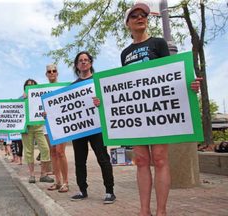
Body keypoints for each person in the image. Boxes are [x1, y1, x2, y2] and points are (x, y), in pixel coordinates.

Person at [93, 3, 201, 216]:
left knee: (160, 159)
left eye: (143, 14)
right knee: (141, 161)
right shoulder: (125, 53)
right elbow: (124, 86)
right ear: (128, 24)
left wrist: (189, 85)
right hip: (137, 116)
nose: (140, 17)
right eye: (135, 15)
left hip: (158, 113)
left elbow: (170, 75)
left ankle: (161, 211)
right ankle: (144, 211)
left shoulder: (159, 43)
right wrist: (104, 101)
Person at [70, 51, 116, 204]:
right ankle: (82, 190)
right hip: (79, 129)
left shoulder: (98, 81)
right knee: (79, 161)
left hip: (97, 128)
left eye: (86, 60)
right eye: (80, 60)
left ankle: (110, 191)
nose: (83, 62)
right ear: (77, 65)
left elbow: (109, 100)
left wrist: (100, 102)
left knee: (103, 158)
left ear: (90, 63)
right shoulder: (71, 87)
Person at [22, 79, 54, 184]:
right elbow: (12, 111)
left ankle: (43, 174)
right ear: (25, 88)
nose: (30, 87)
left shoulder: (40, 98)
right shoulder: (21, 99)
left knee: (45, 149)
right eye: (28, 85)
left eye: (32, 85)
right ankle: (32, 175)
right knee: (29, 151)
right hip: (27, 128)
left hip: (39, 127)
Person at [43, 64, 69, 193]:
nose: (52, 73)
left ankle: (66, 182)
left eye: (54, 71)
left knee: (60, 152)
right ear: (46, 74)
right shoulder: (40, 90)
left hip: (61, 123)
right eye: (49, 71)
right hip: (47, 123)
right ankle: (57, 181)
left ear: (57, 73)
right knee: (52, 152)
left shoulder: (63, 87)